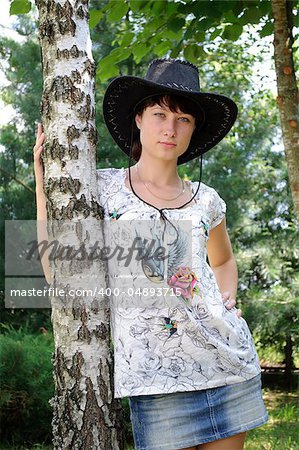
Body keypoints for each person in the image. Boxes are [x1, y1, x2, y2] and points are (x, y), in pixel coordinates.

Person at [33, 58, 268, 450]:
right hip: (155, 381)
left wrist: (229, 300)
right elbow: (56, 273)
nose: (170, 129)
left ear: (194, 130)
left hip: (230, 366)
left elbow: (224, 260)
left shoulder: (206, 200)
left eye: (183, 120)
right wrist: (44, 187)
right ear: (138, 119)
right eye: (159, 114)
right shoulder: (101, 190)